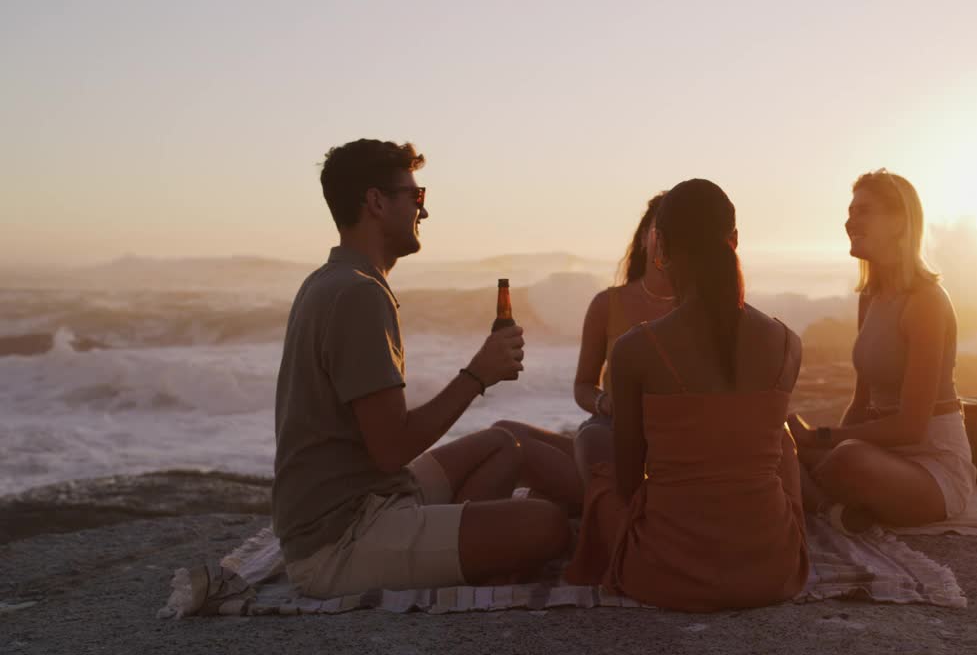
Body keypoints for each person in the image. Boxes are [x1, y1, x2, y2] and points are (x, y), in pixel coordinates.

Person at [272, 138, 569, 598]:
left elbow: (382, 455)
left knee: (504, 445)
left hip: (370, 496)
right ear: (375, 202)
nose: (423, 212)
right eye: (416, 196)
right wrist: (476, 375)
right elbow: (392, 449)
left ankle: (474, 546)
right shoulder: (358, 295)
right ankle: (632, 518)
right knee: (548, 524)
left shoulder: (331, 280)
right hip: (342, 538)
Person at [565, 178, 809, 612]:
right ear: (734, 240)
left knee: (602, 488)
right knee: (780, 452)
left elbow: (627, 484)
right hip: (775, 570)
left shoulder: (636, 350)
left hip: (667, 574)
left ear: (661, 250)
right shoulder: (789, 343)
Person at [788, 168, 977, 532]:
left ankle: (815, 500)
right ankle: (835, 513)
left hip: (932, 467)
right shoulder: (870, 298)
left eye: (863, 211)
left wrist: (822, 440)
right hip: (881, 456)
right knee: (777, 442)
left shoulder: (926, 302)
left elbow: (911, 428)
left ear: (898, 223)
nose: (849, 221)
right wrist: (815, 447)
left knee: (848, 459)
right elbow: (861, 403)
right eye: (850, 211)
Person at [492, 193, 674, 503]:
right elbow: (583, 386)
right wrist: (607, 404)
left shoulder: (702, 309)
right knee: (503, 434)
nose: (669, 241)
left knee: (555, 481)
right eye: (661, 231)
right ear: (644, 238)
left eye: (680, 232)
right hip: (611, 434)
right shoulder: (608, 304)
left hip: (675, 444)